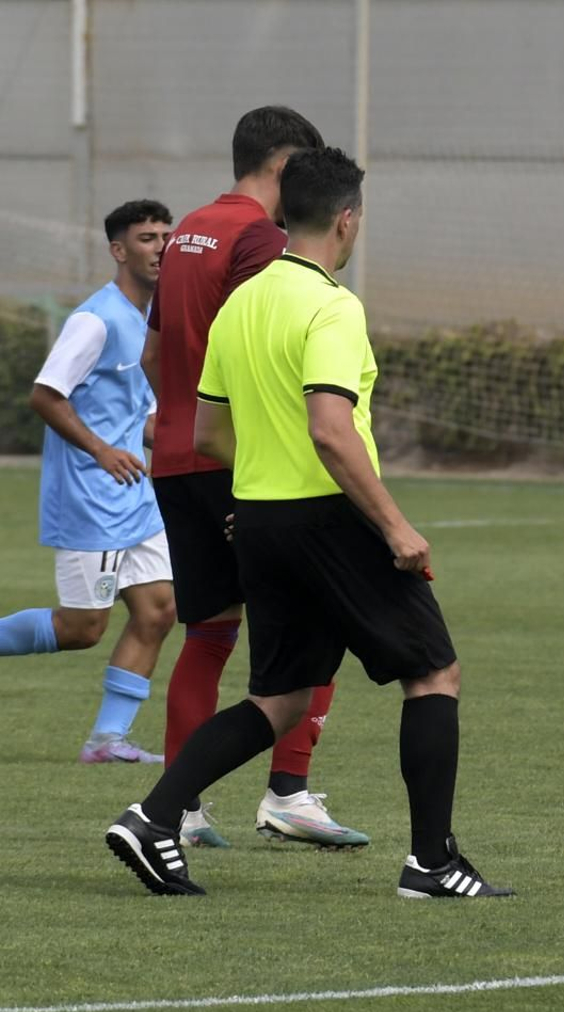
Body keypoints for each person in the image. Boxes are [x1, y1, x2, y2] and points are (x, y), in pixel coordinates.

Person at [105, 147, 510, 899]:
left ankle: (153, 817)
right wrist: (394, 526)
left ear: (287, 213)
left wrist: (262, 488)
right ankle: (432, 863)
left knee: (280, 698)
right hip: (331, 518)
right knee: (432, 673)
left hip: (258, 520)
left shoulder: (241, 303)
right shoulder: (332, 305)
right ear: (347, 219)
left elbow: (207, 435)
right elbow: (330, 429)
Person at [142, 105, 366, 850]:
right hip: (241, 464)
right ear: (282, 166)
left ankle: (181, 807)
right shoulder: (263, 240)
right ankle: (288, 792)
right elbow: (266, 348)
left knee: (206, 633)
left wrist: (179, 414)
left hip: (177, 457)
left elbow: (154, 354)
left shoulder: (187, 232)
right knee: (324, 613)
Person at [0, 201, 176, 763]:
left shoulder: (151, 321)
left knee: (159, 610)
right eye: (147, 238)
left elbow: (138, 418)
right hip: (89, 498)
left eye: (167, 236)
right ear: (119, 251)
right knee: (82, 628)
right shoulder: (95, 319)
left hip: (135, 497)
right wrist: (101, 450)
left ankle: (106, 742)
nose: (161, 247)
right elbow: (45, 396)